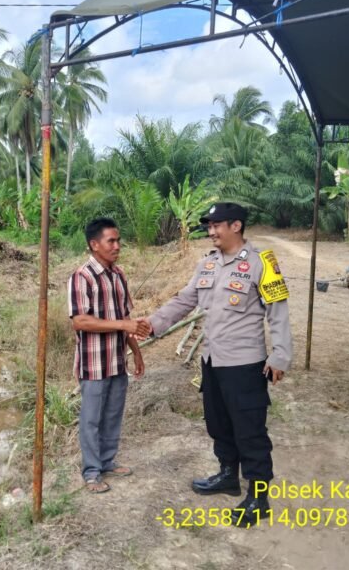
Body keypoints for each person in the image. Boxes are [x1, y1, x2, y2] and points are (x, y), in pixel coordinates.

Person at [143, 203, 292, 525]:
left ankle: (258, 496)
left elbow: (277, 311)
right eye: (208, 226)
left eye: (216, 225)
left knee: (250, 430)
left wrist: (280, 355)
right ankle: (227, 475)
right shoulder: (207, 264)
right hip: (212, 360)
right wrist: (153, 323)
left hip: (245, 363)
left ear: (236, 225)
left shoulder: (261, 263)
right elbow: (185, 300)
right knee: (218, 423)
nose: (211, 232)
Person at [68, 217, 151, 494]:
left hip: (117, 360)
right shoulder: (82, 277)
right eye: (111, 241)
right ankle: (91, 472)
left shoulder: (119, 275)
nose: (117, 246)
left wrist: (136, 352)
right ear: (94, 245)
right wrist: (123, 325)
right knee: (91, 419)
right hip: (93, 363)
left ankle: (107, 460)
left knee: (113, 414)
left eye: (118, 240)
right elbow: (80, 321)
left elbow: (125, 317)